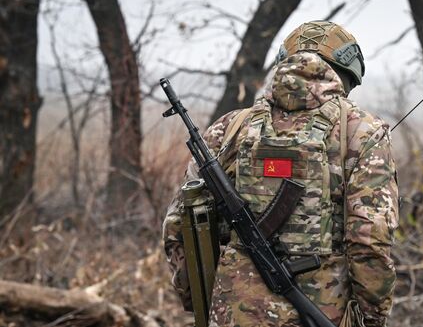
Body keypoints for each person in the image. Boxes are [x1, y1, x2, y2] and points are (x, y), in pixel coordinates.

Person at [163, 20, 398, 327]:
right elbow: (370, 241)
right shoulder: (364, 133)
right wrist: (372, 318)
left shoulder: (231, 127)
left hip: (232, 313)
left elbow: (180, 225)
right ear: (346, 73)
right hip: (325, 313)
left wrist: (202, 303)